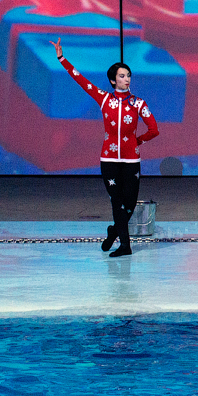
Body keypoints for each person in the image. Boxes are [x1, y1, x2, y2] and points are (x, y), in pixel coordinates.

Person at [49, 37, 159, 257]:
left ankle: (113, 233)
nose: (126, 79)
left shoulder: (138, 103)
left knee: (129, 205)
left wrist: (138, 141)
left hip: (131, 161)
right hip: (109, 160)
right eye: (122, 76)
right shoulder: (104, 99)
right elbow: (81, 80)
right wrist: (62, 58)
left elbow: (154, 129)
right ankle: (125, 246)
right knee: (117, 202)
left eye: (128, 75)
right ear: (112, 80)